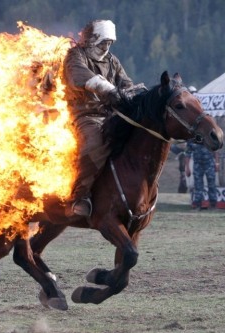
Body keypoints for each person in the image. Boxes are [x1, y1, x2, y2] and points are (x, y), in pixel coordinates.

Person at [62, 19, 134, 217]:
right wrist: (108, 89)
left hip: (111, 114)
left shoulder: (112, 60)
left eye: (110, 42)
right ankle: (80, 196)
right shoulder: (75, 55)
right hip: (84, 114)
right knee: (96, 142)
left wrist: (133, 95)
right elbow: (79, 76)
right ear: (91, 40)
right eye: (104, 42)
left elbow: (126, 83)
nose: (107, 47)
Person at [184, 140, 220, 210]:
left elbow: (216, 150)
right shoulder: (192, 139)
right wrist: (187, 167)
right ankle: (198, 205)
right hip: (198, 164)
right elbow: (187, 153)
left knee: (212, 185)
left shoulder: (209, 136)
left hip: (209, 163)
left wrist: (217, 163)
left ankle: (213, 205)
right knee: (198, 185)